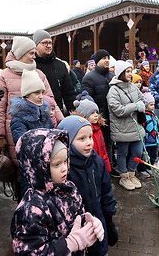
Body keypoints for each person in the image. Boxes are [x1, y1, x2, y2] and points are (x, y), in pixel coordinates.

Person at [11, 128, 104, 255]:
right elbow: (29, 252)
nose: (64, 168)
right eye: (56, 164)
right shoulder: (31, 209)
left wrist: (88, 222)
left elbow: (74, 219)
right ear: (38, 166)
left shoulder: (69, 188)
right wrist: (70, 244)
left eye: (66, 161)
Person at [0, 35, 63, 168]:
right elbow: (0, 106)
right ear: (21, 53)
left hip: (40, 126)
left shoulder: (39, 74)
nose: (34, 56)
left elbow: (51, 101)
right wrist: (0, 134)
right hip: (14, 129)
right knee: (20, 166)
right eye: (31, 53)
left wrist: (62, 122)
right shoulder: (5, 75)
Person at [58, 115, 117, 255]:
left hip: (98, 225)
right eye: (81, 139)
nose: (89, 142)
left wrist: (109, 223)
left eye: (90, 137)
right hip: (76, 233)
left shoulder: (97, 162)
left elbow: (106, 194)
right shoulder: (64, 168)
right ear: (67, 141)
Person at [107, 60, 146, 191]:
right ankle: (124, 176)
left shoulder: (133, 86)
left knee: (137, 152)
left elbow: (142, 99)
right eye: (128, 71)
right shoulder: (113, 90)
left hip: (136, 127)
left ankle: (131, 173)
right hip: (122, 129)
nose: (131, 74)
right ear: (121, 73)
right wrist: (135, 106)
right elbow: (117, 110)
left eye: (131, 71)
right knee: (123, 153)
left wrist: (141, 104)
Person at [81, 49, 115, 171]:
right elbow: (87, 100)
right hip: (99, 118)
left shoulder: (112, 76)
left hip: (112, 116)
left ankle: (109, 166)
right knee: (99, 145)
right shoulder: (89, 78)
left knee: (109, 144)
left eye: (108, 58)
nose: (106, 60)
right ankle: (99, 169)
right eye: (103, 58)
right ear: (97, 61)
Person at [33, 29, 77, 113]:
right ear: (36, 45)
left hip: (57, 112)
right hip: (37, 113)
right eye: (44, 43)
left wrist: (74, 113)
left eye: (50, 43)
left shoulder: (60, 65)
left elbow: (69, 93)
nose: (48, 46)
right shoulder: (31, 65)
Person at [9, 69, 54, 145]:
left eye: (42, 92)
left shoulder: (44, 113)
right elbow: (21, 142)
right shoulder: (19, 117)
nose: (41, 96)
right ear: (27, 95)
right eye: (37, 93)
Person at [71, 91, 111, 173]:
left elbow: (103, 150)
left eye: (96, 112)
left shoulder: (98, 130)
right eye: (92, 113)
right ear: (84, 115)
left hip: (100, 165)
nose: (96, 115)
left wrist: (106, 166)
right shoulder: (81, 131)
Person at [140, 92, 159, 175]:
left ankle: (150, 167)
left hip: (154, 139)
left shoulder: (153, 115)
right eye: (151, 105)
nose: (153, 107)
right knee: (145, 156)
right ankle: (142, 169)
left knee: (153, 155)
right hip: (147, 140)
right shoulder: (144, 117)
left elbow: (156, 128)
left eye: (154, 104)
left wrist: (158, 137)